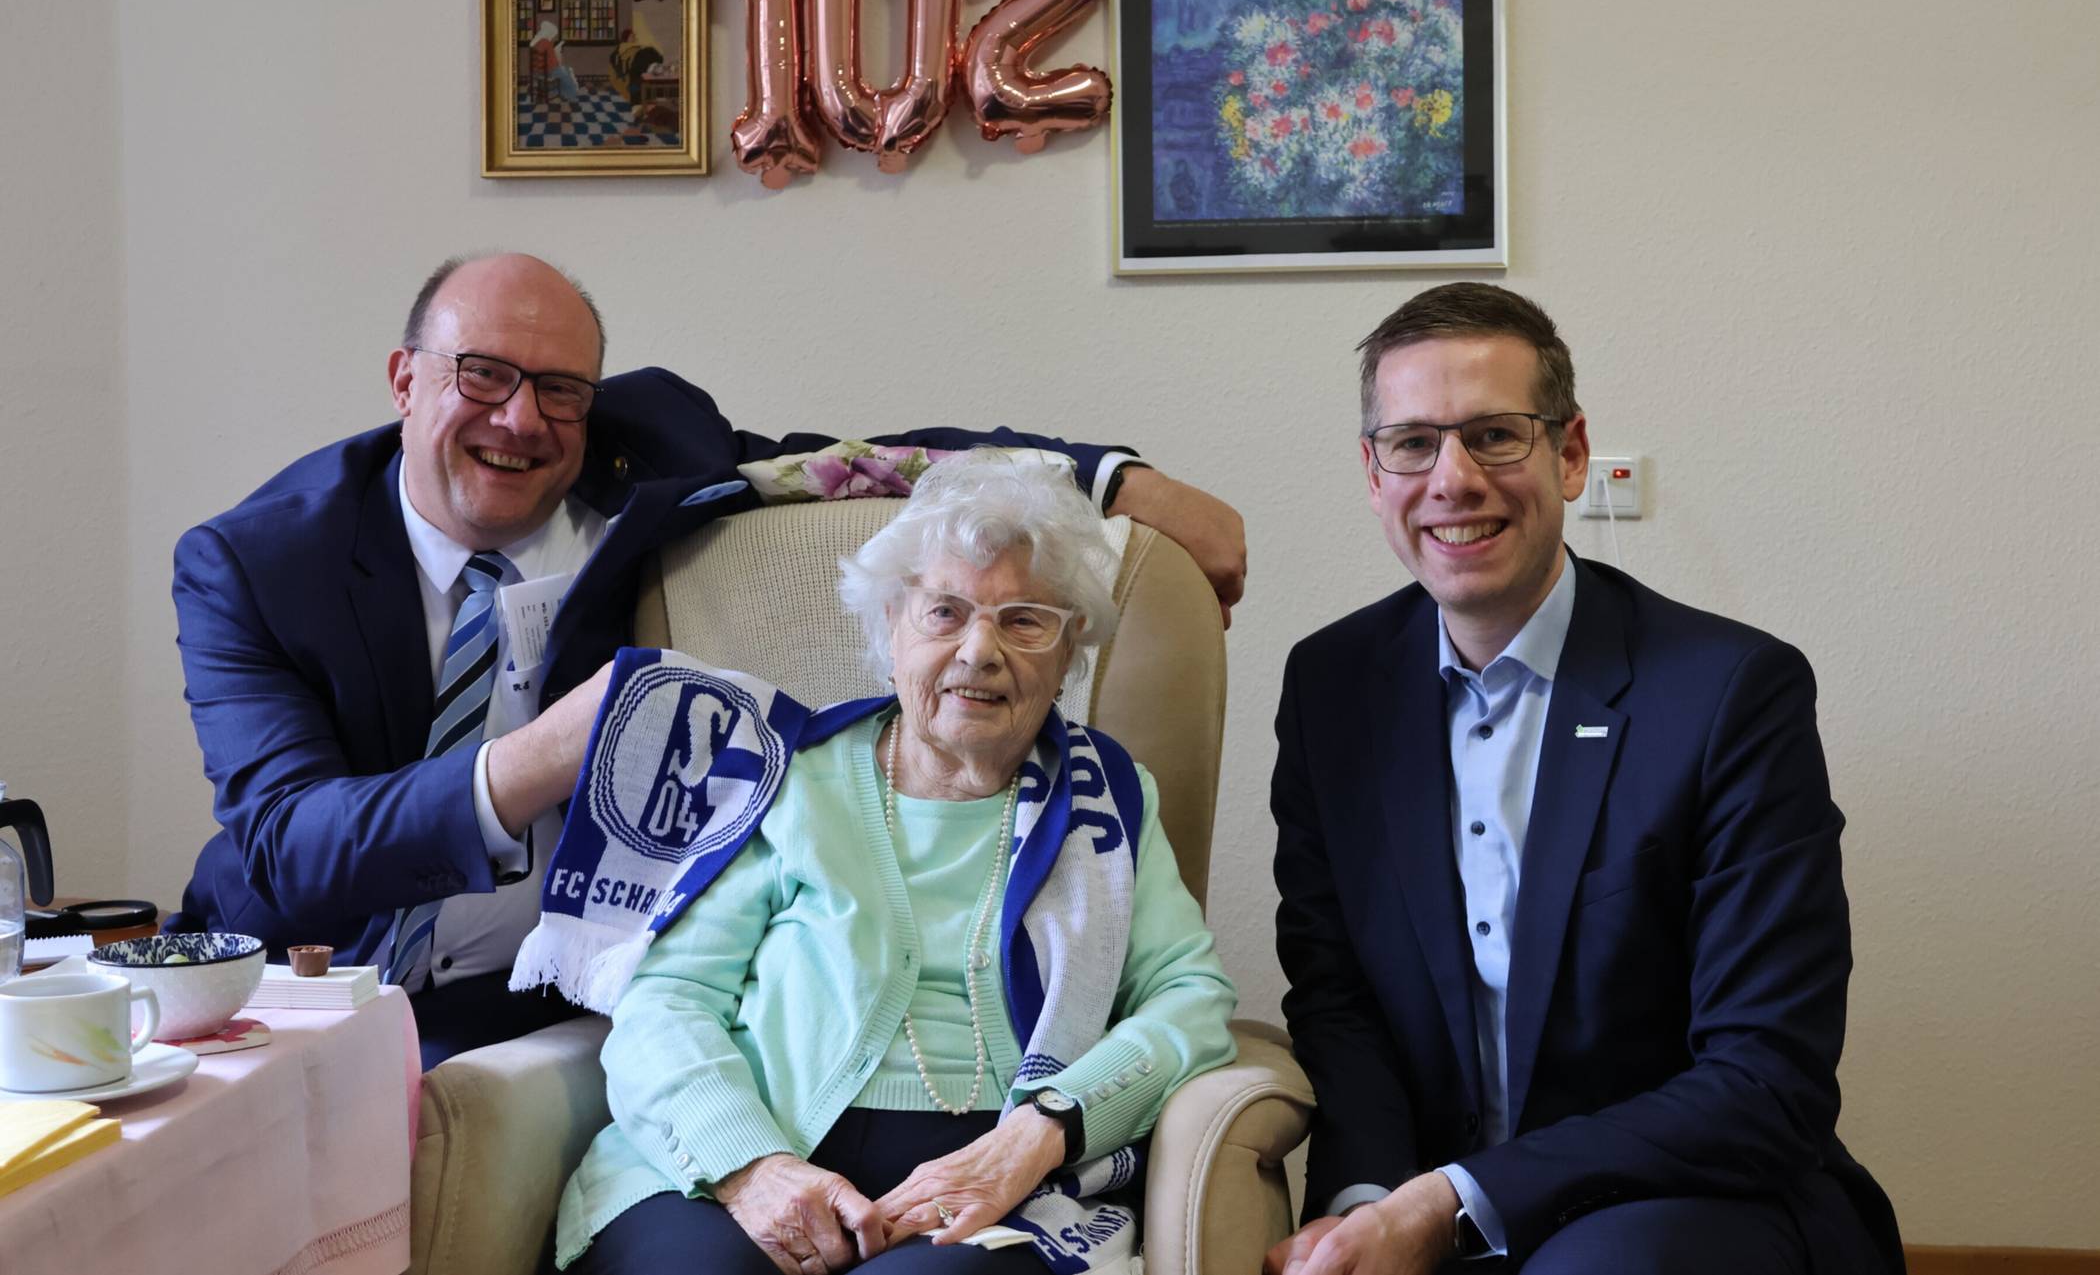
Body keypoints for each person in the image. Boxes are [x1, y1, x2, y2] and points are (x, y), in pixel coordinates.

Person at [167, 252, 1246, 1067]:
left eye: (560, 389)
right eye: (481, 374)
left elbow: (868, 464)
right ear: (405, 377)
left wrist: (1116, 481)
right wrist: (546, 751)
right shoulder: (257, 562)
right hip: (303, 978)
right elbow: (288, 842)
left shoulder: (645, 453)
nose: (521, 418)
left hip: (544, 992)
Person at [1263, 284, 1903, 1274]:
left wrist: (1457, 1201)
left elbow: (1765, 1077)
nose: (1454, 478)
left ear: (1568, 454)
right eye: (1414, 443)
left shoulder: (1730, 691)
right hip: (1420, 1202)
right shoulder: (1332, 685)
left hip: (1683, 1203)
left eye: (1494, 435)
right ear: (1372, 470)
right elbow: (1336, 995)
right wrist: (1367, 1204)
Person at [545, 456, 1237, 1273]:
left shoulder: (1109, 801)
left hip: (994, 1186)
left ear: (1069, 648)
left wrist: (1043, 1131)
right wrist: (751, 1166)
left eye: (1024, 620)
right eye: (945, 611)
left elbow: (1190, 999)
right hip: (742, 1154)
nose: (979, 651)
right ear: (889, 625)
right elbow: (668, 999)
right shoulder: (784, 777)